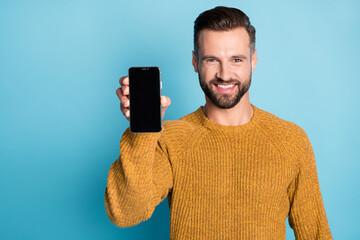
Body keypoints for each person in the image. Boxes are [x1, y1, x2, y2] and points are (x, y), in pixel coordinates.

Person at [105, 6, 333, 239]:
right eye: (212, 59)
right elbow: (125, 214)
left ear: (253, 61)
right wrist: (142, 132)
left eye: (236, 59)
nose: (225, 74)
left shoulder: (290, 140)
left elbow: (315, 233)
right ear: (195, 62)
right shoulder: (171, 140)